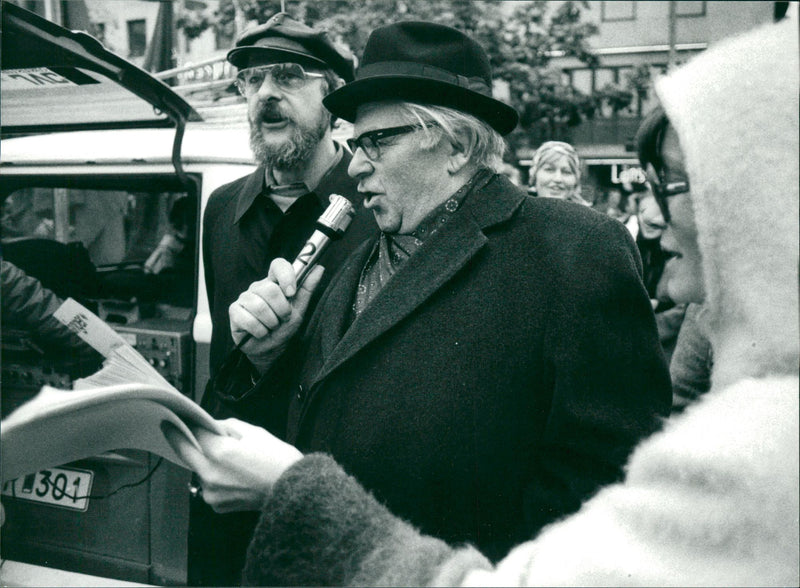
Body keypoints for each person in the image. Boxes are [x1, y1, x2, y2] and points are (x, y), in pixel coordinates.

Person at [167, 14, 799, 586]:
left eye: (374, 143)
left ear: (458, 145)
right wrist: (260, 359)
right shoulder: (352, 248)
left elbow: (602, 488)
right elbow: (306, 424)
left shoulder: (575, 250)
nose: (354, 167)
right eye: (353, 145)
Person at [190, 12, 376, 585]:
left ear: (333, 95)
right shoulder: (221, 208)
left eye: (289, 76)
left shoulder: (379, 209)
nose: (266, 93)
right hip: (229, 508)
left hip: (332, 506)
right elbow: (227, 358)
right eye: (253, 79)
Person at [527, 140, 591, 206]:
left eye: (566, 172)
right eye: (549, 170)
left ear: (576, 180)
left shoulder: (588, 215)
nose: (558, 179)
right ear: (534, 175)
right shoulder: (518, 211)